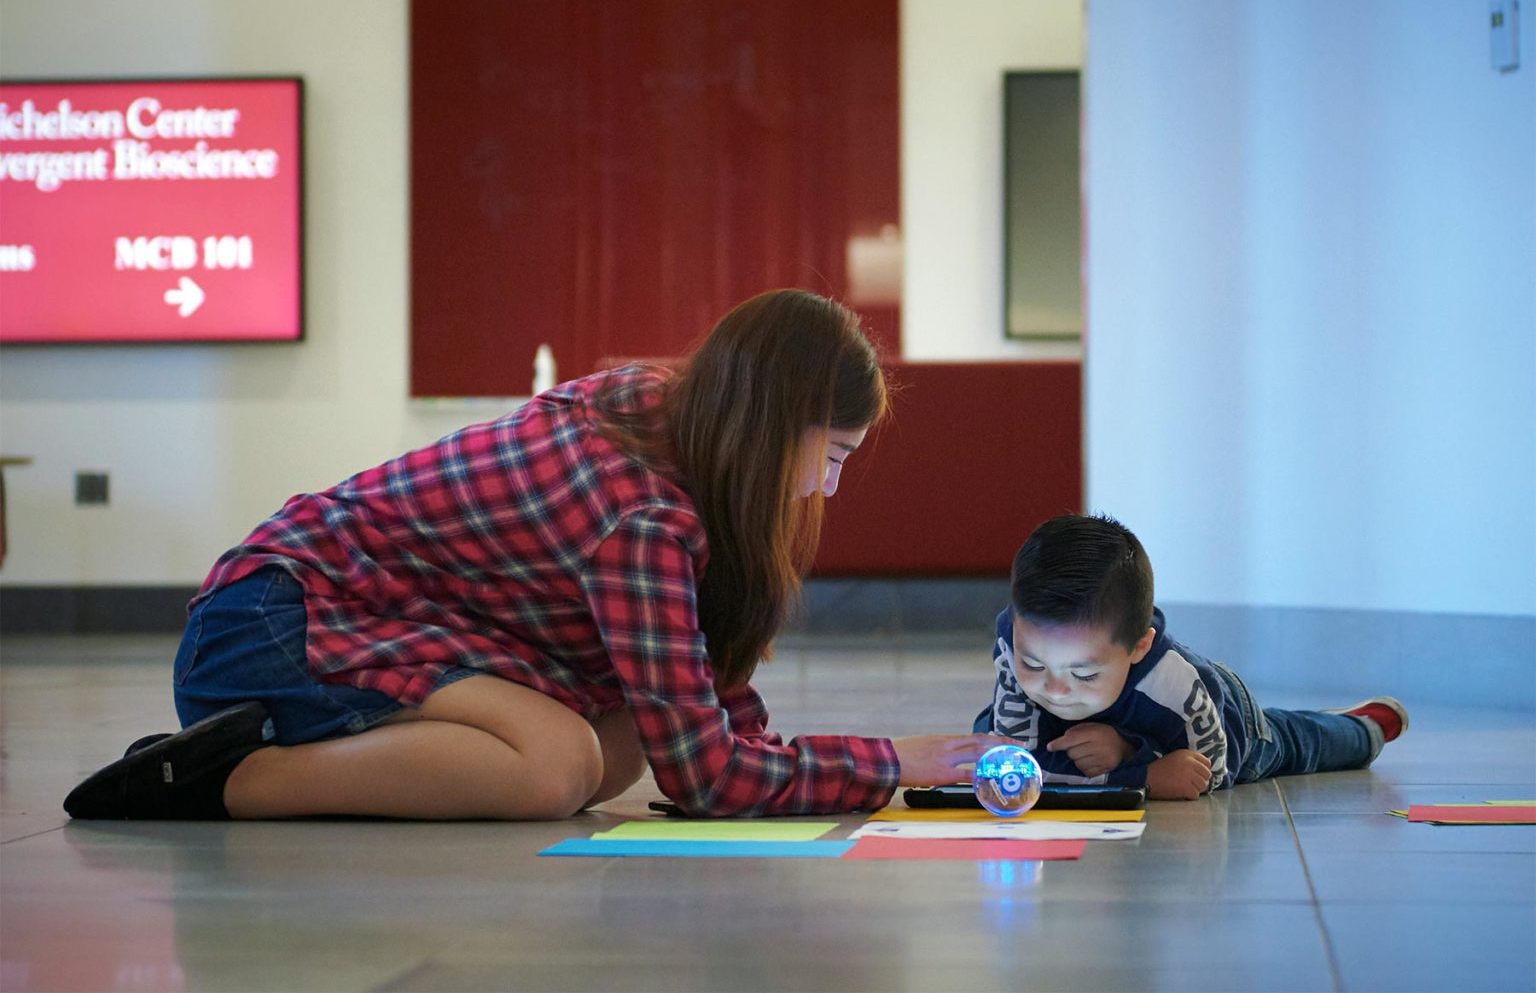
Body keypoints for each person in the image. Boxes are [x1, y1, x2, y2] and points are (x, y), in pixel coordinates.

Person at [66, 289, 1005, 822]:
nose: (824, 492)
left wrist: (778, 746)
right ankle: (216, 780)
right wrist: (893, 761)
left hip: (363, 617)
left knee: (617, 747)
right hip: (274, 621)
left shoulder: (678, 410)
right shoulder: (639, 512)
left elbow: (694, 717)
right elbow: (709, 777)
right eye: (829, 457)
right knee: (554, 767)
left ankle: (268, 760)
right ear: (768, 432)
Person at [973, 514, 1408, 800]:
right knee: (984, 734)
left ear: (1139, 646)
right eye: (1034, 665)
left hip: (1229, 720)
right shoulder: (1016, 646)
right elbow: (1018, 768)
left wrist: (1134, 761)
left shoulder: (1171, 683)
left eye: (1084, 674)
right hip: (1106, 734)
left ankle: (1363, 728)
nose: (1055, 688)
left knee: (1297, 741)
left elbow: (1207, 772)